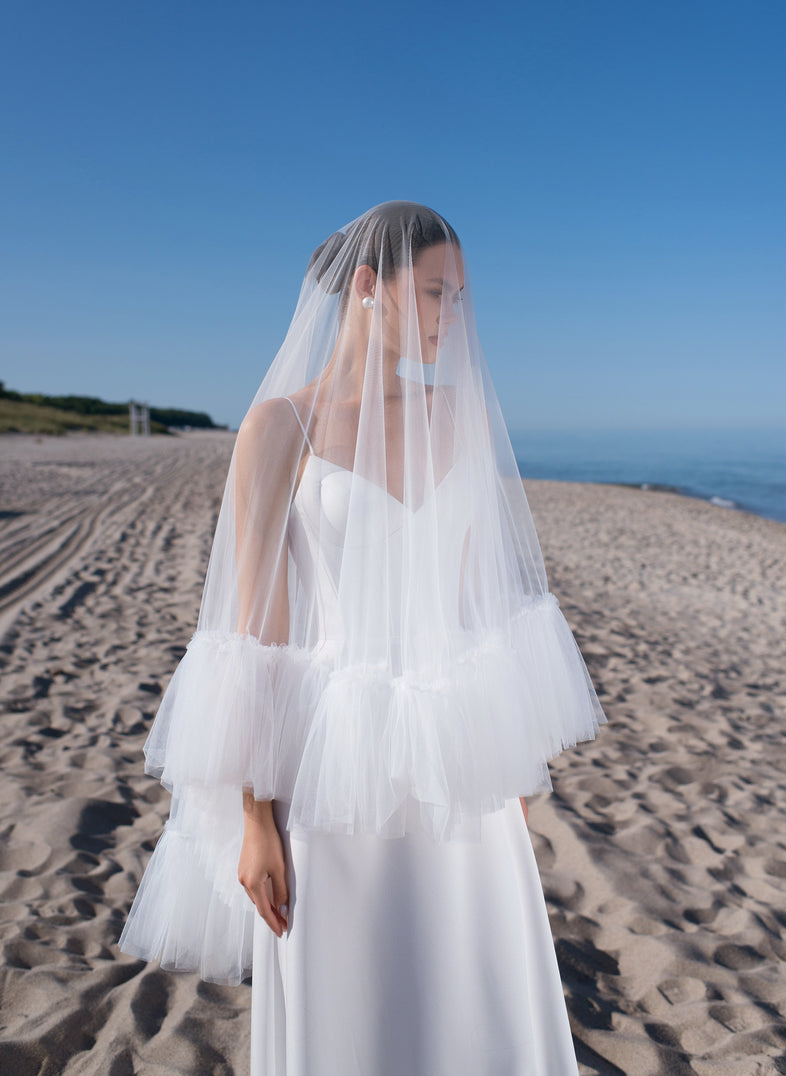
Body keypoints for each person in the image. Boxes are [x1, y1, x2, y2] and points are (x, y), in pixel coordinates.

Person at [118, 200, 607, 1074]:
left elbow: (478, 603)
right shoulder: (278, 429)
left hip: (458, 760)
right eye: (433, 293)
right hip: (328, 765)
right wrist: (254, 819)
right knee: (346, 1011)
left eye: (459, 297)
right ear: (367, 286)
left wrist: (513, 758)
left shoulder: (455, 413)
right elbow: (252, 630)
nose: (450, 318)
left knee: (478, 993)